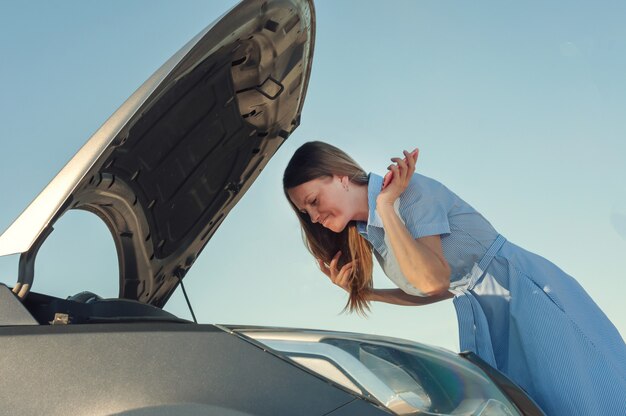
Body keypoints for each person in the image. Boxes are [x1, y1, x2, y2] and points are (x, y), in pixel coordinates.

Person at [283, 141, 626, 416]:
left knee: (588, 394)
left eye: (313, 201)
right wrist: (369, 293)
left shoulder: (407, 192)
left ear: (340, 175)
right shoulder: (371, 231)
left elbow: (433, 279)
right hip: (485, 314)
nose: (313, 217)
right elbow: (438, 290)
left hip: (521, 292)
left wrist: (387, 206)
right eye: (305, 212)